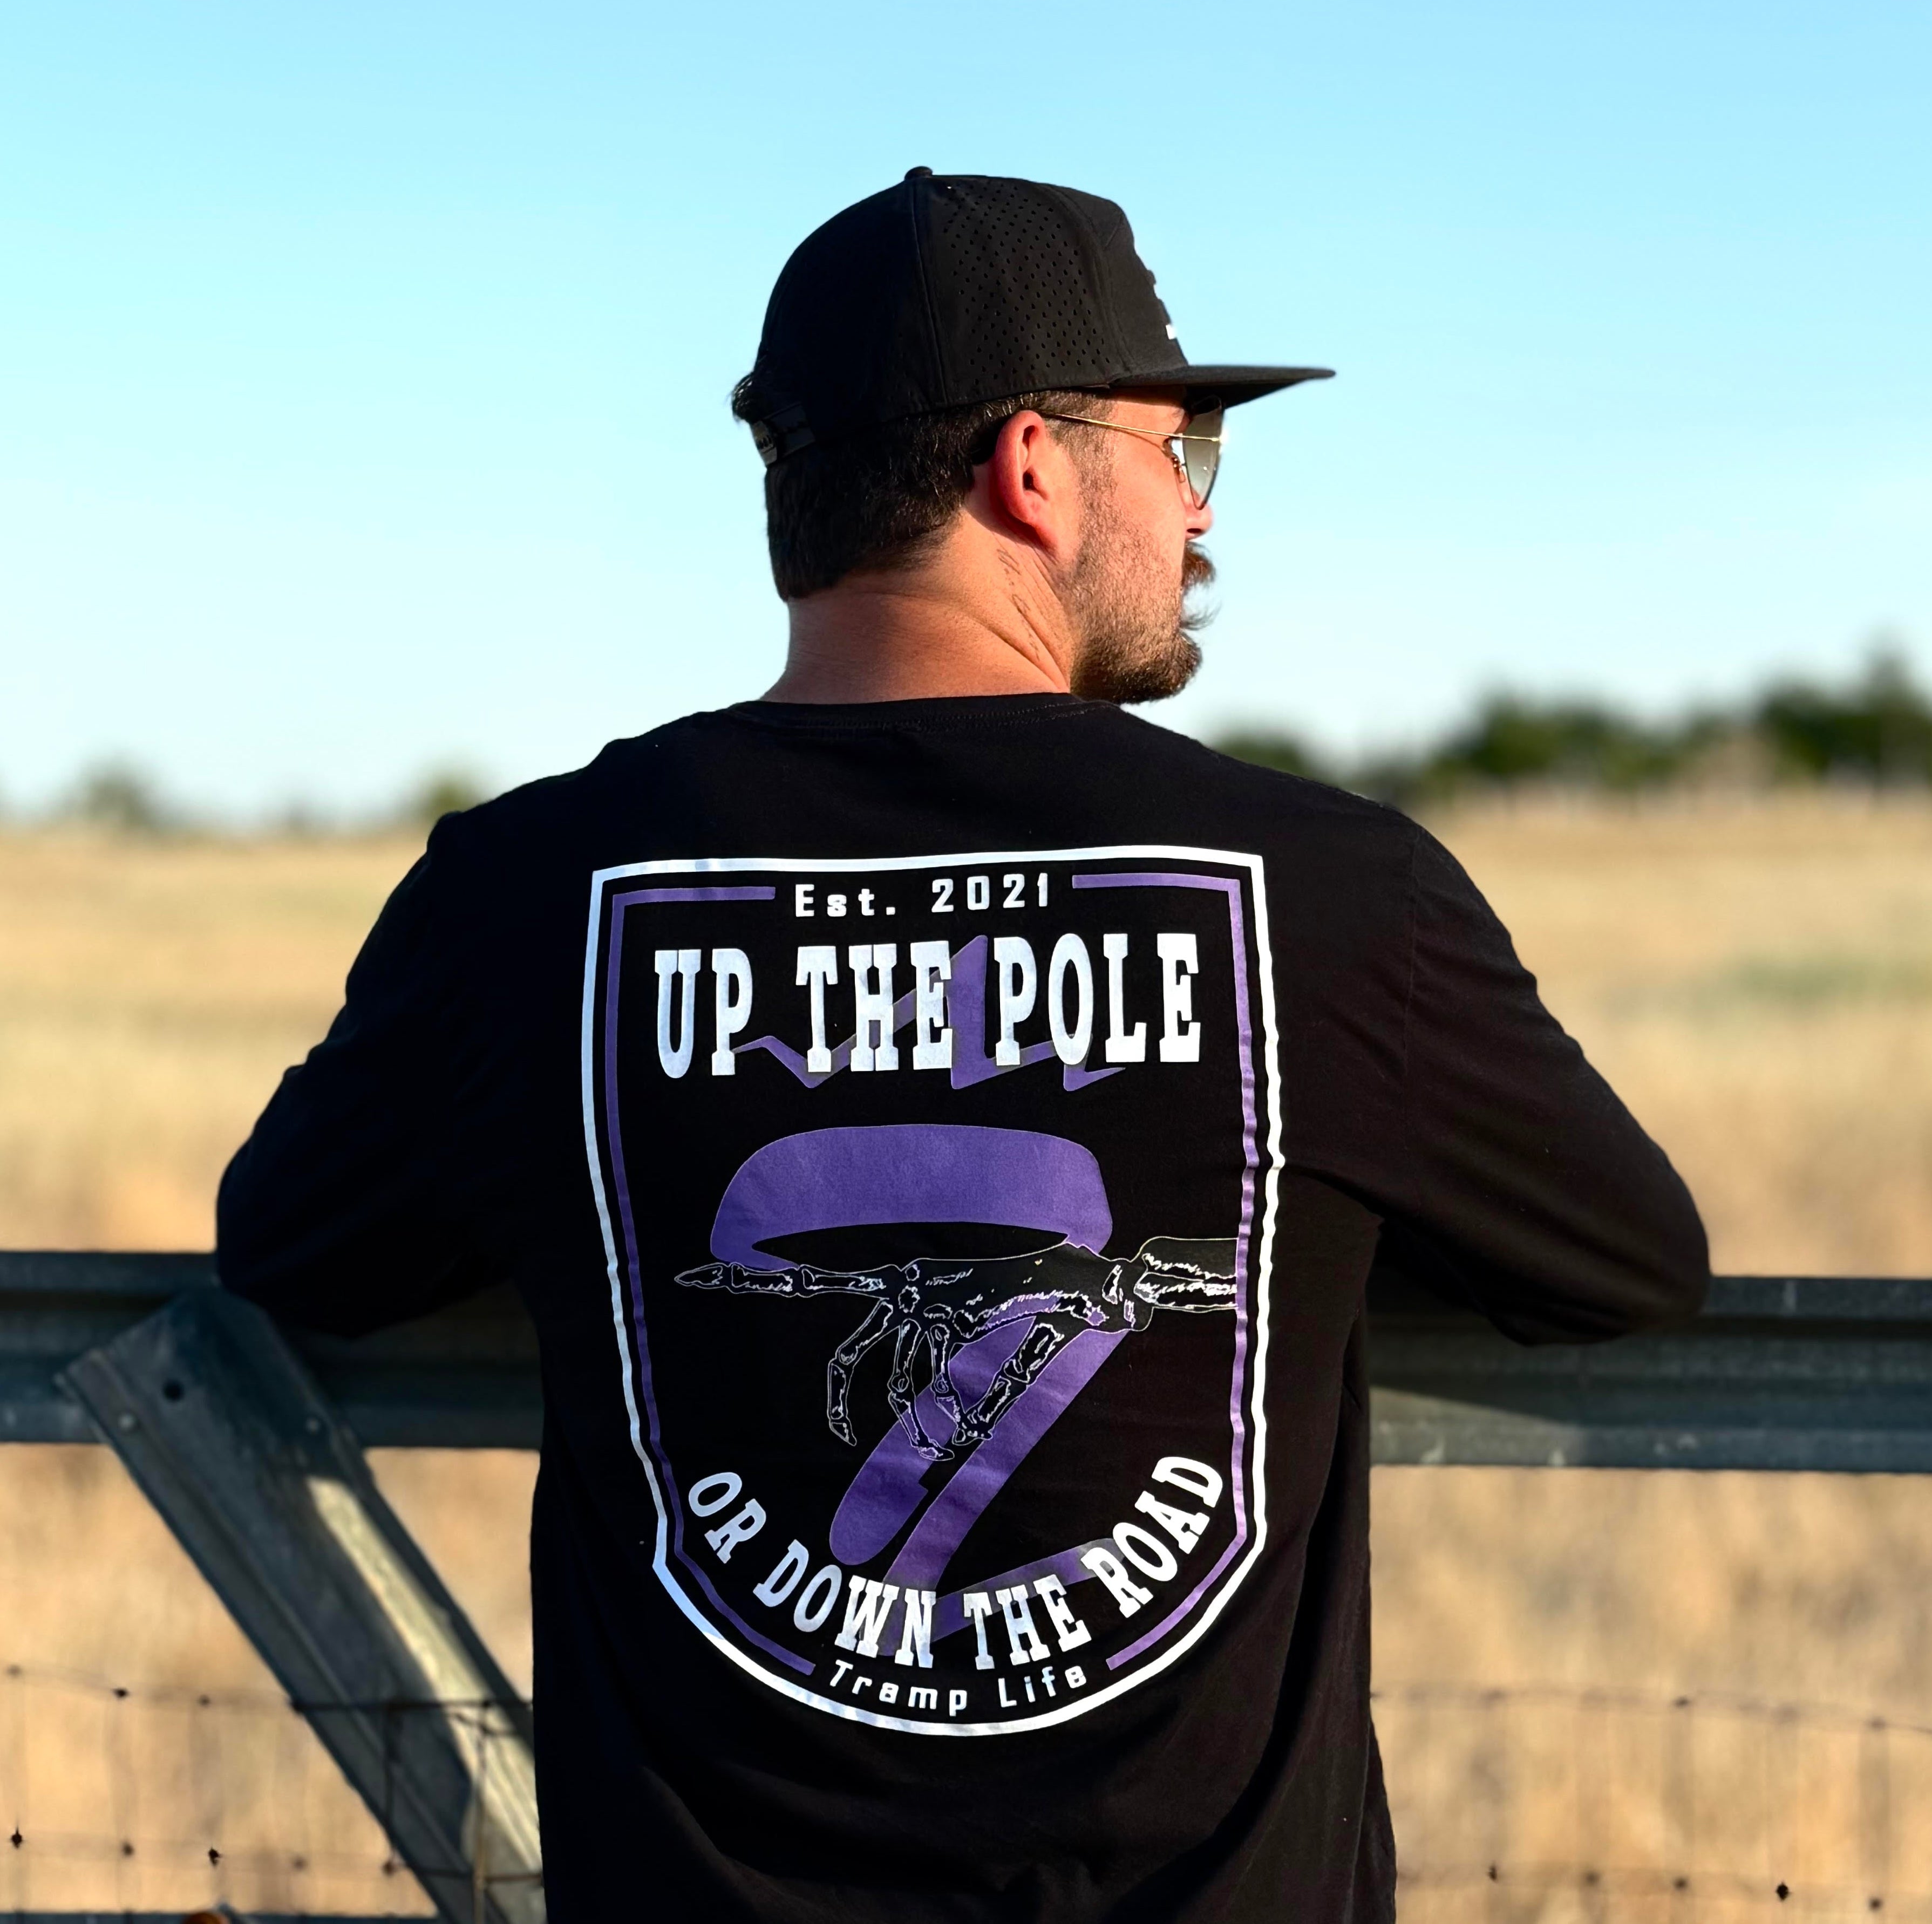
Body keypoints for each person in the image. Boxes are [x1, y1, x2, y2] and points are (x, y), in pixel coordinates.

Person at [217, 169, 1710, 1922]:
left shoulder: (532, 891)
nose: (1200, 521)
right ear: (1029, 466)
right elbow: (1627, 1260)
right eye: (1182, 455)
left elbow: (300, 1249)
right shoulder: (1325, 895)